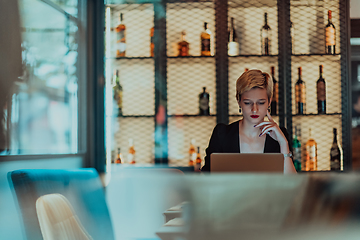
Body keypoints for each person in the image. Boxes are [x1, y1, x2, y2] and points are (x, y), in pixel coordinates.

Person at [201, 69, 296, 174]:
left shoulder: (280, 135)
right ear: (238, 101)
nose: (254, 109)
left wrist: (283, 144)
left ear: (269, 102)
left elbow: (293, 185)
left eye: (261, 103)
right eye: (247, 103)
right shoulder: (222, 134)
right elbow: (206, 178)